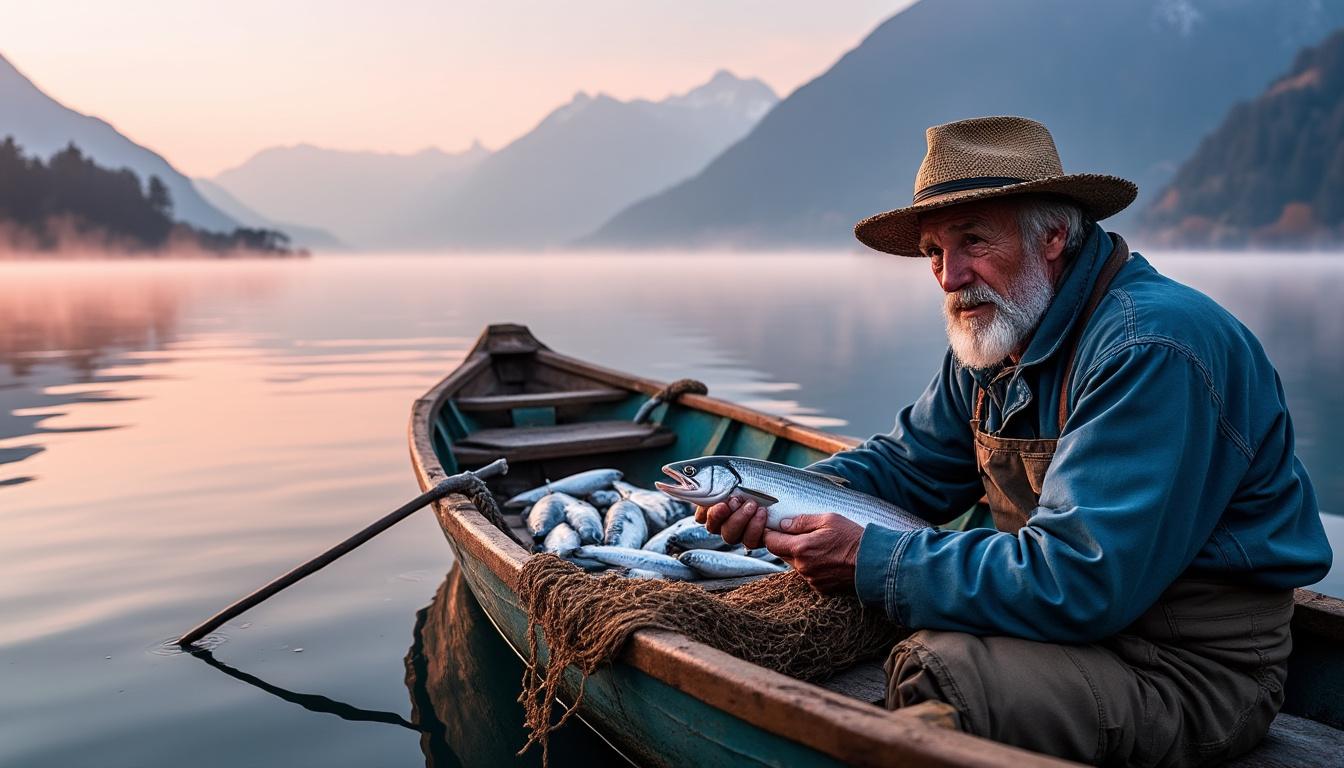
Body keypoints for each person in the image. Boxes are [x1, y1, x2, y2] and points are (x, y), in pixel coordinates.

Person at [699, 116, 1331, 767]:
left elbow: (1080, 577)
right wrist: (774, 496)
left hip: (1186, 672)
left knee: (942, 672)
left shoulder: (1150, 348)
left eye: (972, 240)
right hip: (1072, 631)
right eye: (934, 252)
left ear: (1053, 235)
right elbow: (907, 468)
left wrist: (869, 556)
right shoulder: (999, 335)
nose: (950, 277)